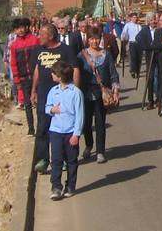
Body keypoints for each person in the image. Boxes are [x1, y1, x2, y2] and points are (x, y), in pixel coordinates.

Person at [31, 23, 79, 175]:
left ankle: (63, 158)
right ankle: (43, 159)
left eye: (42, 35)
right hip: (44, 95)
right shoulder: (39, 50)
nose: (39, 37)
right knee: (42, 128)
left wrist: (75, 90)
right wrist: (33, 90)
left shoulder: (66, 50)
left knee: (62, 129)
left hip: (63, 95)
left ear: (51, 36)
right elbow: (37, 70)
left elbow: (75, 69)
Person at [44, 60, 83, 200]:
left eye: (53, 73)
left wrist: (76, 134)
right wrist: (51, 110)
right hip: (55, 131)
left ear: (60, 76)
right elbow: (47, 107)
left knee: (71, 161)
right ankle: (56, 187)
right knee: (56, 160)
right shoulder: (53, 91)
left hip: (70, 132)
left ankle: (70, 185)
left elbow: (80, 115)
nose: (52, 75)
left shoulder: (76, 93)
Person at [79, 34, 119, 163]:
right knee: (86, 123)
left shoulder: (106, 55)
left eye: (97, 38)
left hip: (101, 93)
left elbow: (113, 74)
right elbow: (76, 73)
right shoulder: (82, 56)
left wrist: (115, 91)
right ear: (88, 40)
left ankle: (100, 151)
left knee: (100, 122)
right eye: (92, 38)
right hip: (86, 92)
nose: (94, 41)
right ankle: (89, 145)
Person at [8, 17, 40, 135]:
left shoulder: (35, 40)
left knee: (39, 102)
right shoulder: (14, 46)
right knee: (27, 104)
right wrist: (17, 81)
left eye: (22, 27)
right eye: (17, 28)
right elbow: (13, 64)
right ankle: (31, 128)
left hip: (37, 76)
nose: (20, 30)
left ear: (26, 27)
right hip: (23, 78)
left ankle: (41, 127)